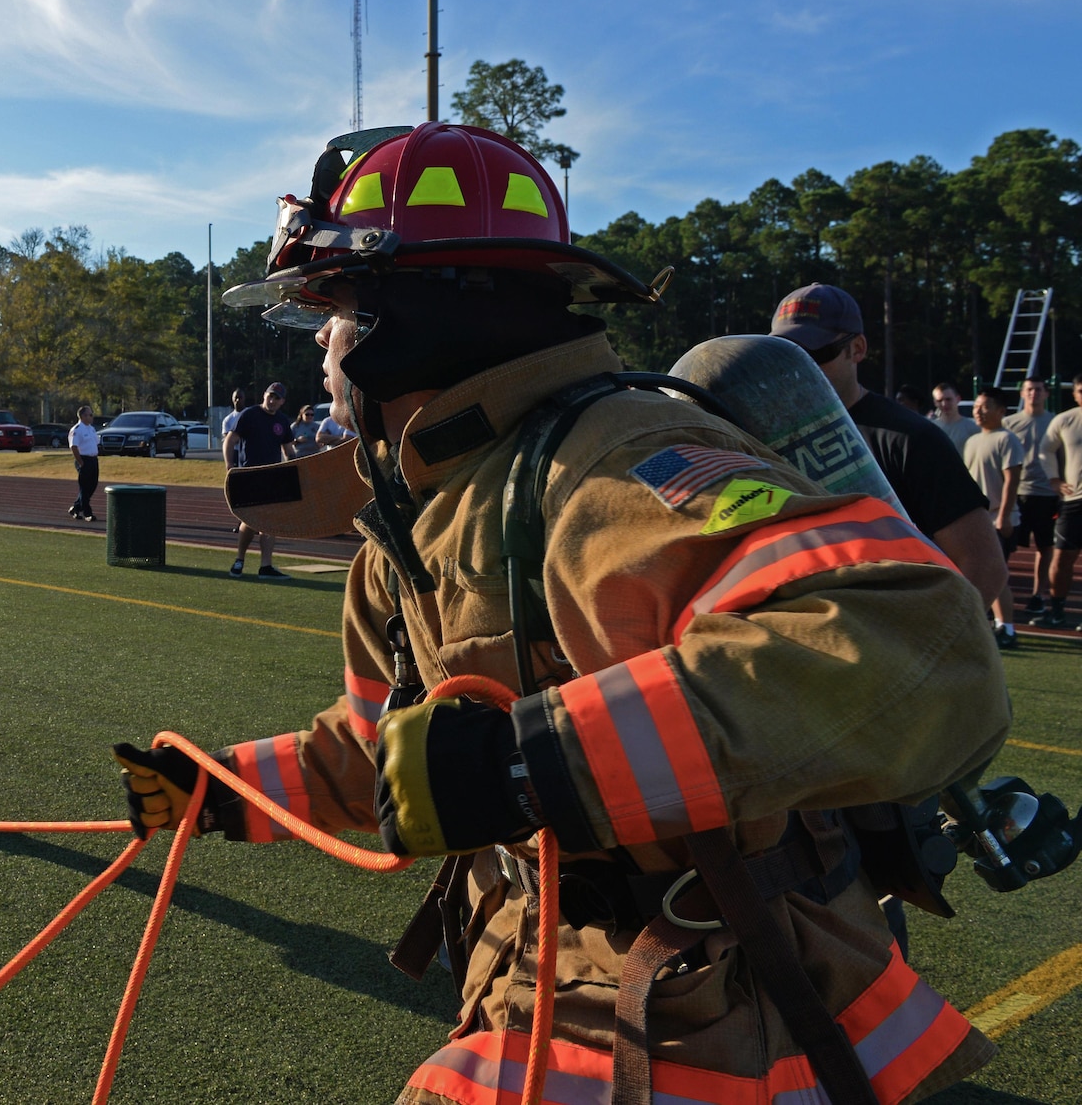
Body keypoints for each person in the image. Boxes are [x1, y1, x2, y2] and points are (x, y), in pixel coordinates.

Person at [114, 123, 1005, 1102]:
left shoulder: (614, 462)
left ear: (398, 321)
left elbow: (919, 643)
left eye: (330, 309)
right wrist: (225, 787)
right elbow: (387, 749)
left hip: (704, 1019)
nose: (321, 347)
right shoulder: (420, 520)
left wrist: (524, 764)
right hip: (543, 985)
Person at [771, 283, 1009, 618]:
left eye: (815, 355)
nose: (798, 368)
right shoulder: (765, 434)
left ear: (857, 348)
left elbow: (984, 564)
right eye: (785, 354)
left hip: (890, 645)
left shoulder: (910, 438)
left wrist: (923, 648)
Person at [964, 388, 1024, 647]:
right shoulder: (973, 440)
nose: (978, 410)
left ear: (1001, 411)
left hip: (998, 518)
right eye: (977, 405)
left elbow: (1012, 480)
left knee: (996, 574)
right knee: (975, 572)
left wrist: (1005, 515)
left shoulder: (1007, 439)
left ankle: (1007, 629)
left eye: (985, 406)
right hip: (977, 519)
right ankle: (984, 625)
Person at [224, 381, 296, 578]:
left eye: (276, 398)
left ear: (282, 401)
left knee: (269, 521)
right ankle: (240, 560)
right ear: (264, 395)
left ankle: (266, 566)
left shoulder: (282, 421)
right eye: (270, 395)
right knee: (251, 520)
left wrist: (296, 469)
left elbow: (289, 451)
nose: (272, 400)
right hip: (249, 475)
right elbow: (230, 440)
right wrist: (230, 466)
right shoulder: (250, 415)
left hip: (272, 478)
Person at [1005, 377, 1060, 616]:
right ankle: (1001, 596)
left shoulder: (1056, 422)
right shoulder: (1009, 423)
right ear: (1022, 393)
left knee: (1045, 546)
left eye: (1038, 390)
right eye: (1029, 390)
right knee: (1004, 547)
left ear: (1046, 394)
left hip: (1046, 494)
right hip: (1016, 493)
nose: (1033, 394)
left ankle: (1038, 595)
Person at [1033, 373, 1082, 629]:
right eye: (1081, 391)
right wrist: (1054, 479)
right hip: (1074, 500)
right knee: (1062, 558)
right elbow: (1046, 449)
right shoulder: (1066, 420)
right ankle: (1058, 612)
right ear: (1074, 394)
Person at [68, 405, 100, 522]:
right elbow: (74, 447)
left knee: (93, 485)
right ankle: (87, 513)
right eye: (90, 415)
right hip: (84, 460)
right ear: (83, 416)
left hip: (93, 460)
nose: (92, 417)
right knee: (85, 487)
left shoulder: (91, 428)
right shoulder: (76, 430)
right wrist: (80, 462)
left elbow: (96, 443)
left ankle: (76, 507)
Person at [930, 381, 979, 454]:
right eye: (939, 401)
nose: (944, 404)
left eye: (948, 399)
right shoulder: (931, 428)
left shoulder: (973, 428)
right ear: (935, 403)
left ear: (958, 399)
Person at [220, 387, 249, 468]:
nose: (237, 400)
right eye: (235, 398)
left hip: (249, 451)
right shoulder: (228, 420)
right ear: (232, 399)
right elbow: (228, 439)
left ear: (244, 399)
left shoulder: (250, 414)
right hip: (235, 452)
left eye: (240, 397)